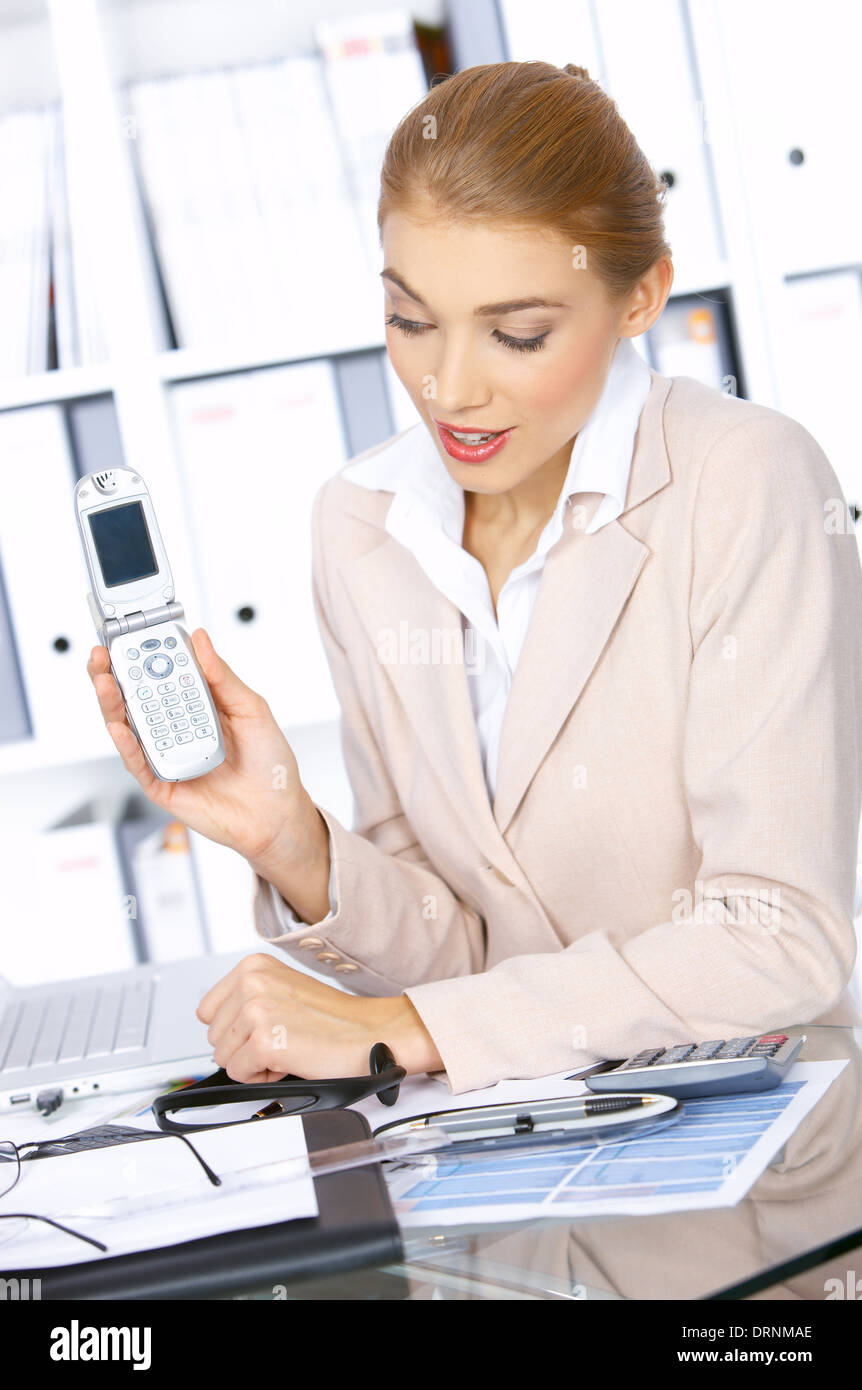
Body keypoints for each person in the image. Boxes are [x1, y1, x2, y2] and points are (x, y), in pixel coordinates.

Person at [88, 61, 862, 1096]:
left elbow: (779, 939)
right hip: (517, 1163)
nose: (448, 388)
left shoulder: (743, 478)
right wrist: (294, 840)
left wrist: (404, 1027)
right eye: (411, 321)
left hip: (757, 1147)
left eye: (517, 333)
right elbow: (464, 955)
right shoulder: (360, 526)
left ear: (640, 296)